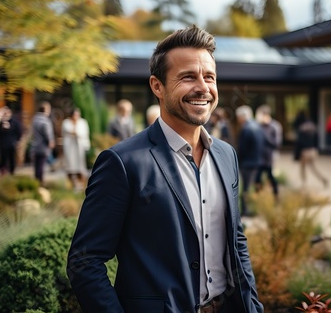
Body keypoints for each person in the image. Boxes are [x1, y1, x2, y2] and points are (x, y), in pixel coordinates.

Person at [67, 25, 263, 313]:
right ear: (157, 86)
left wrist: (253, 306)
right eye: (188, 77)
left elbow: (236, 239)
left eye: (209, 77)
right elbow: (85, 261)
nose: (203, 87)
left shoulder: (226, 155)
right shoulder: (122, 163)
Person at [235, 105, 264, 217]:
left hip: (247, 163)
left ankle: (246, 211)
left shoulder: (246, 129)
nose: (237, 120)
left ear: (242, 117)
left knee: (246, 188)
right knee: (254, 186)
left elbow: (242, 148)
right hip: (256, 161)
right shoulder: (257, 126)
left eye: (238, 117)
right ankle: (253, 208)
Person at [254, 104, 282, 200]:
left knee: (271, 178)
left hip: (269, 158)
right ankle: (258, 198)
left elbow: (276, 143)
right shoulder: (258, 126)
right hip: (259, 158)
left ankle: (276, 196)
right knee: (257, 179)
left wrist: (265, 136)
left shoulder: (274, 126)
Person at [61, 108, 90, 191]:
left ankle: (81, 185)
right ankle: (73, 184)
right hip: (70, 147)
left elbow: (84, 133)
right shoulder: (66, 122)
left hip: (80, 147)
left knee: (81, 165)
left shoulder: (82, 122)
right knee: (71, 165)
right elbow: (70, 131)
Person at [297, 115, 328, 188]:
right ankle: (323, 179)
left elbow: (299, 143)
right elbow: (317, 142)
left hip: (305, 152)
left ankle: (303, 184)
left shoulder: (302, 130)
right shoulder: (314, 129)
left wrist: (297, 154)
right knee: (314, 168)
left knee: (302, 168)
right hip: (313, 151)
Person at [30, 101, 55, 186]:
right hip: (43, 146)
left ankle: (36, 182)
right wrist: (50, 141)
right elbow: (47, 133)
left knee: (36, 166)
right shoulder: (44, 121)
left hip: (35, 145)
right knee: (41, 166)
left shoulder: (34, 119)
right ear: (45, 110)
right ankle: (40, 183)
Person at [0, 106, 23, 175]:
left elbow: (19, 132)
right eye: (4, 113)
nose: (5, 115)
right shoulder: (1, 122)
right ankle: (3, 171)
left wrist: (17, 141)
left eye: (6, 113)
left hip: (12, 144)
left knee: (12, 159)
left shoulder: (15, 121)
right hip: (3, 144)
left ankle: (12, 172)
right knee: (3, 159)